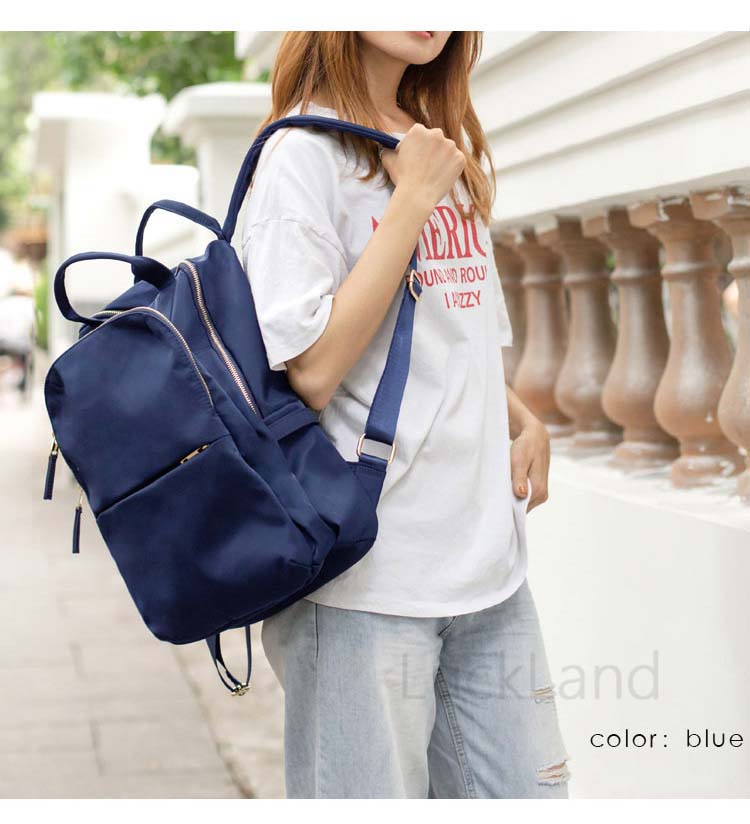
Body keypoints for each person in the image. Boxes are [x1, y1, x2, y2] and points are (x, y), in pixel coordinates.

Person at [242, 31, 568, 799]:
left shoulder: (436, 145)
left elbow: (453, 337)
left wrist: (521, 418)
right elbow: (311, 370)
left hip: (489, 569)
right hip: (366, 581)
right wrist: (412, 201)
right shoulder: (302, 154)